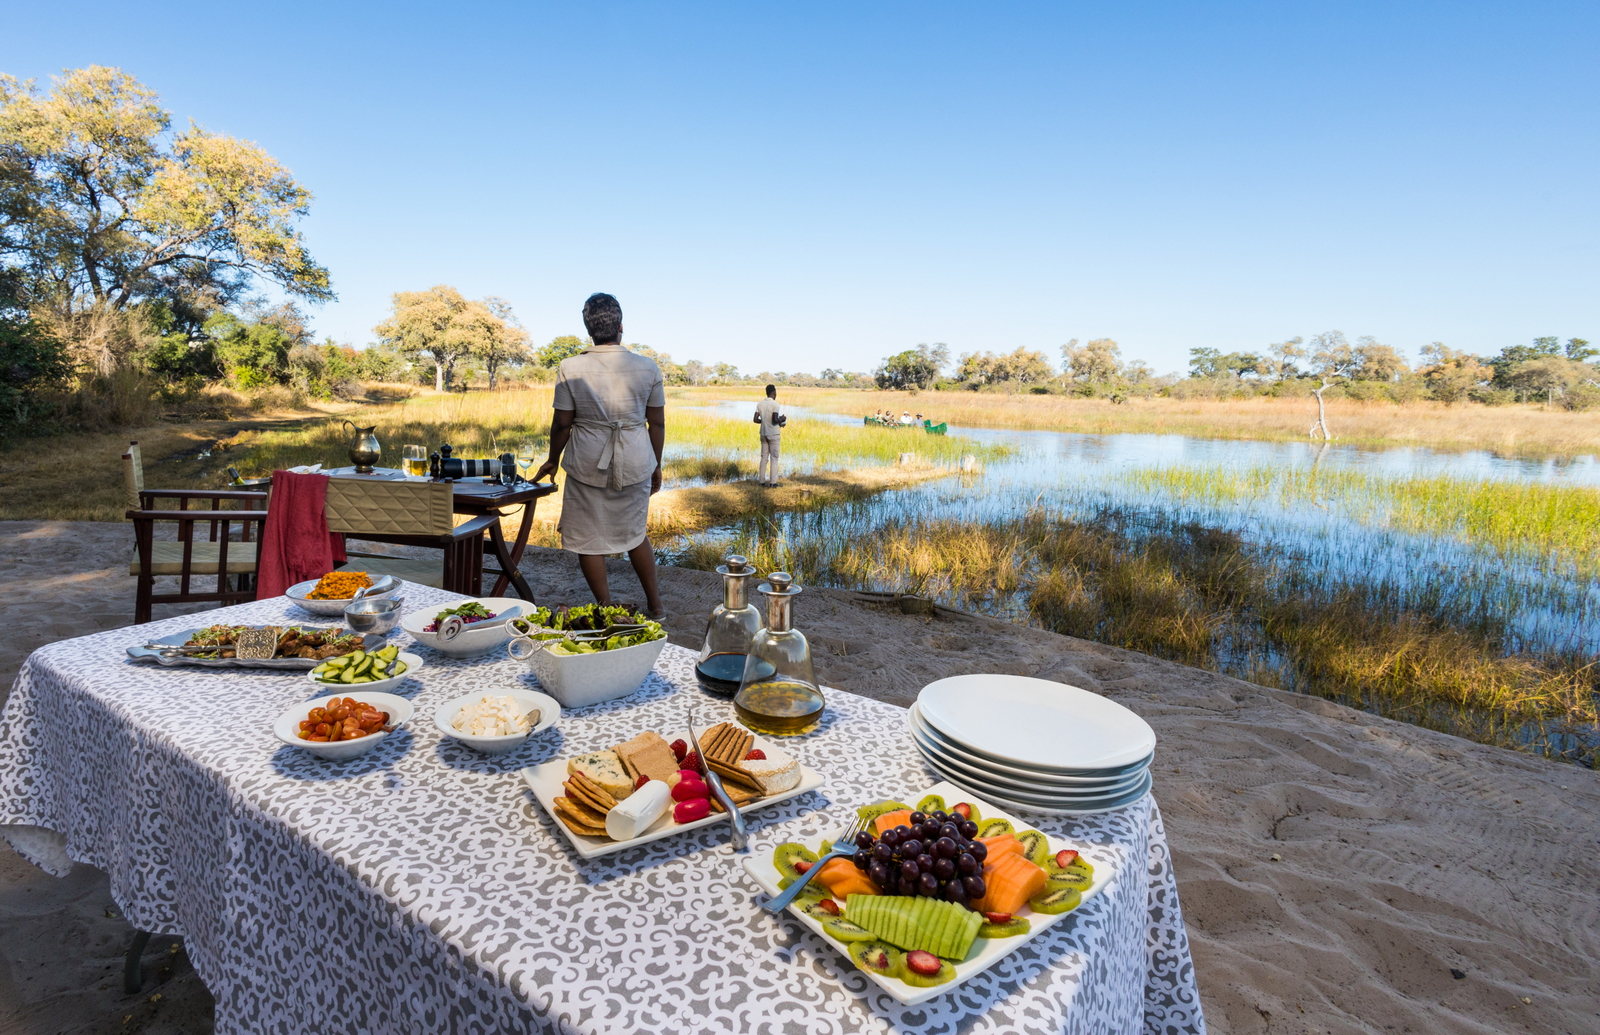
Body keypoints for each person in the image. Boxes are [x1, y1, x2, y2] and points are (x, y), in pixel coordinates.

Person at [533, 293, 666, 617]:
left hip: (586, 463)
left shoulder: (570, 367)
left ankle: (605, 606)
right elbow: (657, 422)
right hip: (635, 459)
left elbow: (562, 424)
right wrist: (656, 464)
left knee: (589, 539)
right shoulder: (647, 367)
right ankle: (657, 606)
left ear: (588, 329)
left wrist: (552, 458)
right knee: (636, 533)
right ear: (621, 327)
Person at [753, 383, 785, 486]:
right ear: (774, 393)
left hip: (763, 433)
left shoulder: (760, 404)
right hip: (773, 434)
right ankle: (773, 482)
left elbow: (755, 419)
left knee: (764, 458)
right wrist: (782, 419)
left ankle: (761, 482)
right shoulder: (775, 404)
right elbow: (775, 419)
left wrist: (764, 422)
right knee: (774, 458)